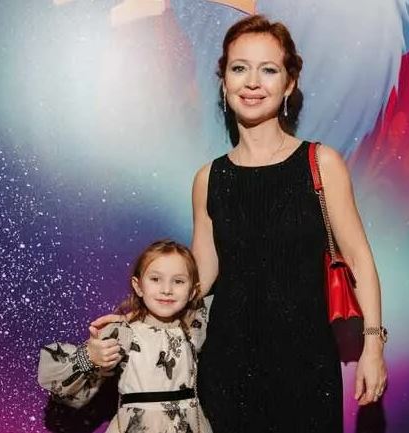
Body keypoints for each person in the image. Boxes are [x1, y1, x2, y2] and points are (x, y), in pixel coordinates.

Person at [93, 15, 388, 432]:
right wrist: (135, 319)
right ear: (224, 82)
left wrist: (373, 347)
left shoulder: (321, 163)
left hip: (306, 367)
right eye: (239, 68)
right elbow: (199, 276)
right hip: (228, 369)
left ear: (289, 84)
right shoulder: (209, 179)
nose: (252, 82)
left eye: (268, 70)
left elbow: (359, 260)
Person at [38, 240, 212, 433]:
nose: (166, 289)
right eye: (155, 279)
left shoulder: (194, 327)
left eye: (178, 281)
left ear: (192, 291)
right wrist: (91, 356)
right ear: (138, 287)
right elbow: (67, 385)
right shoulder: (124, 332)